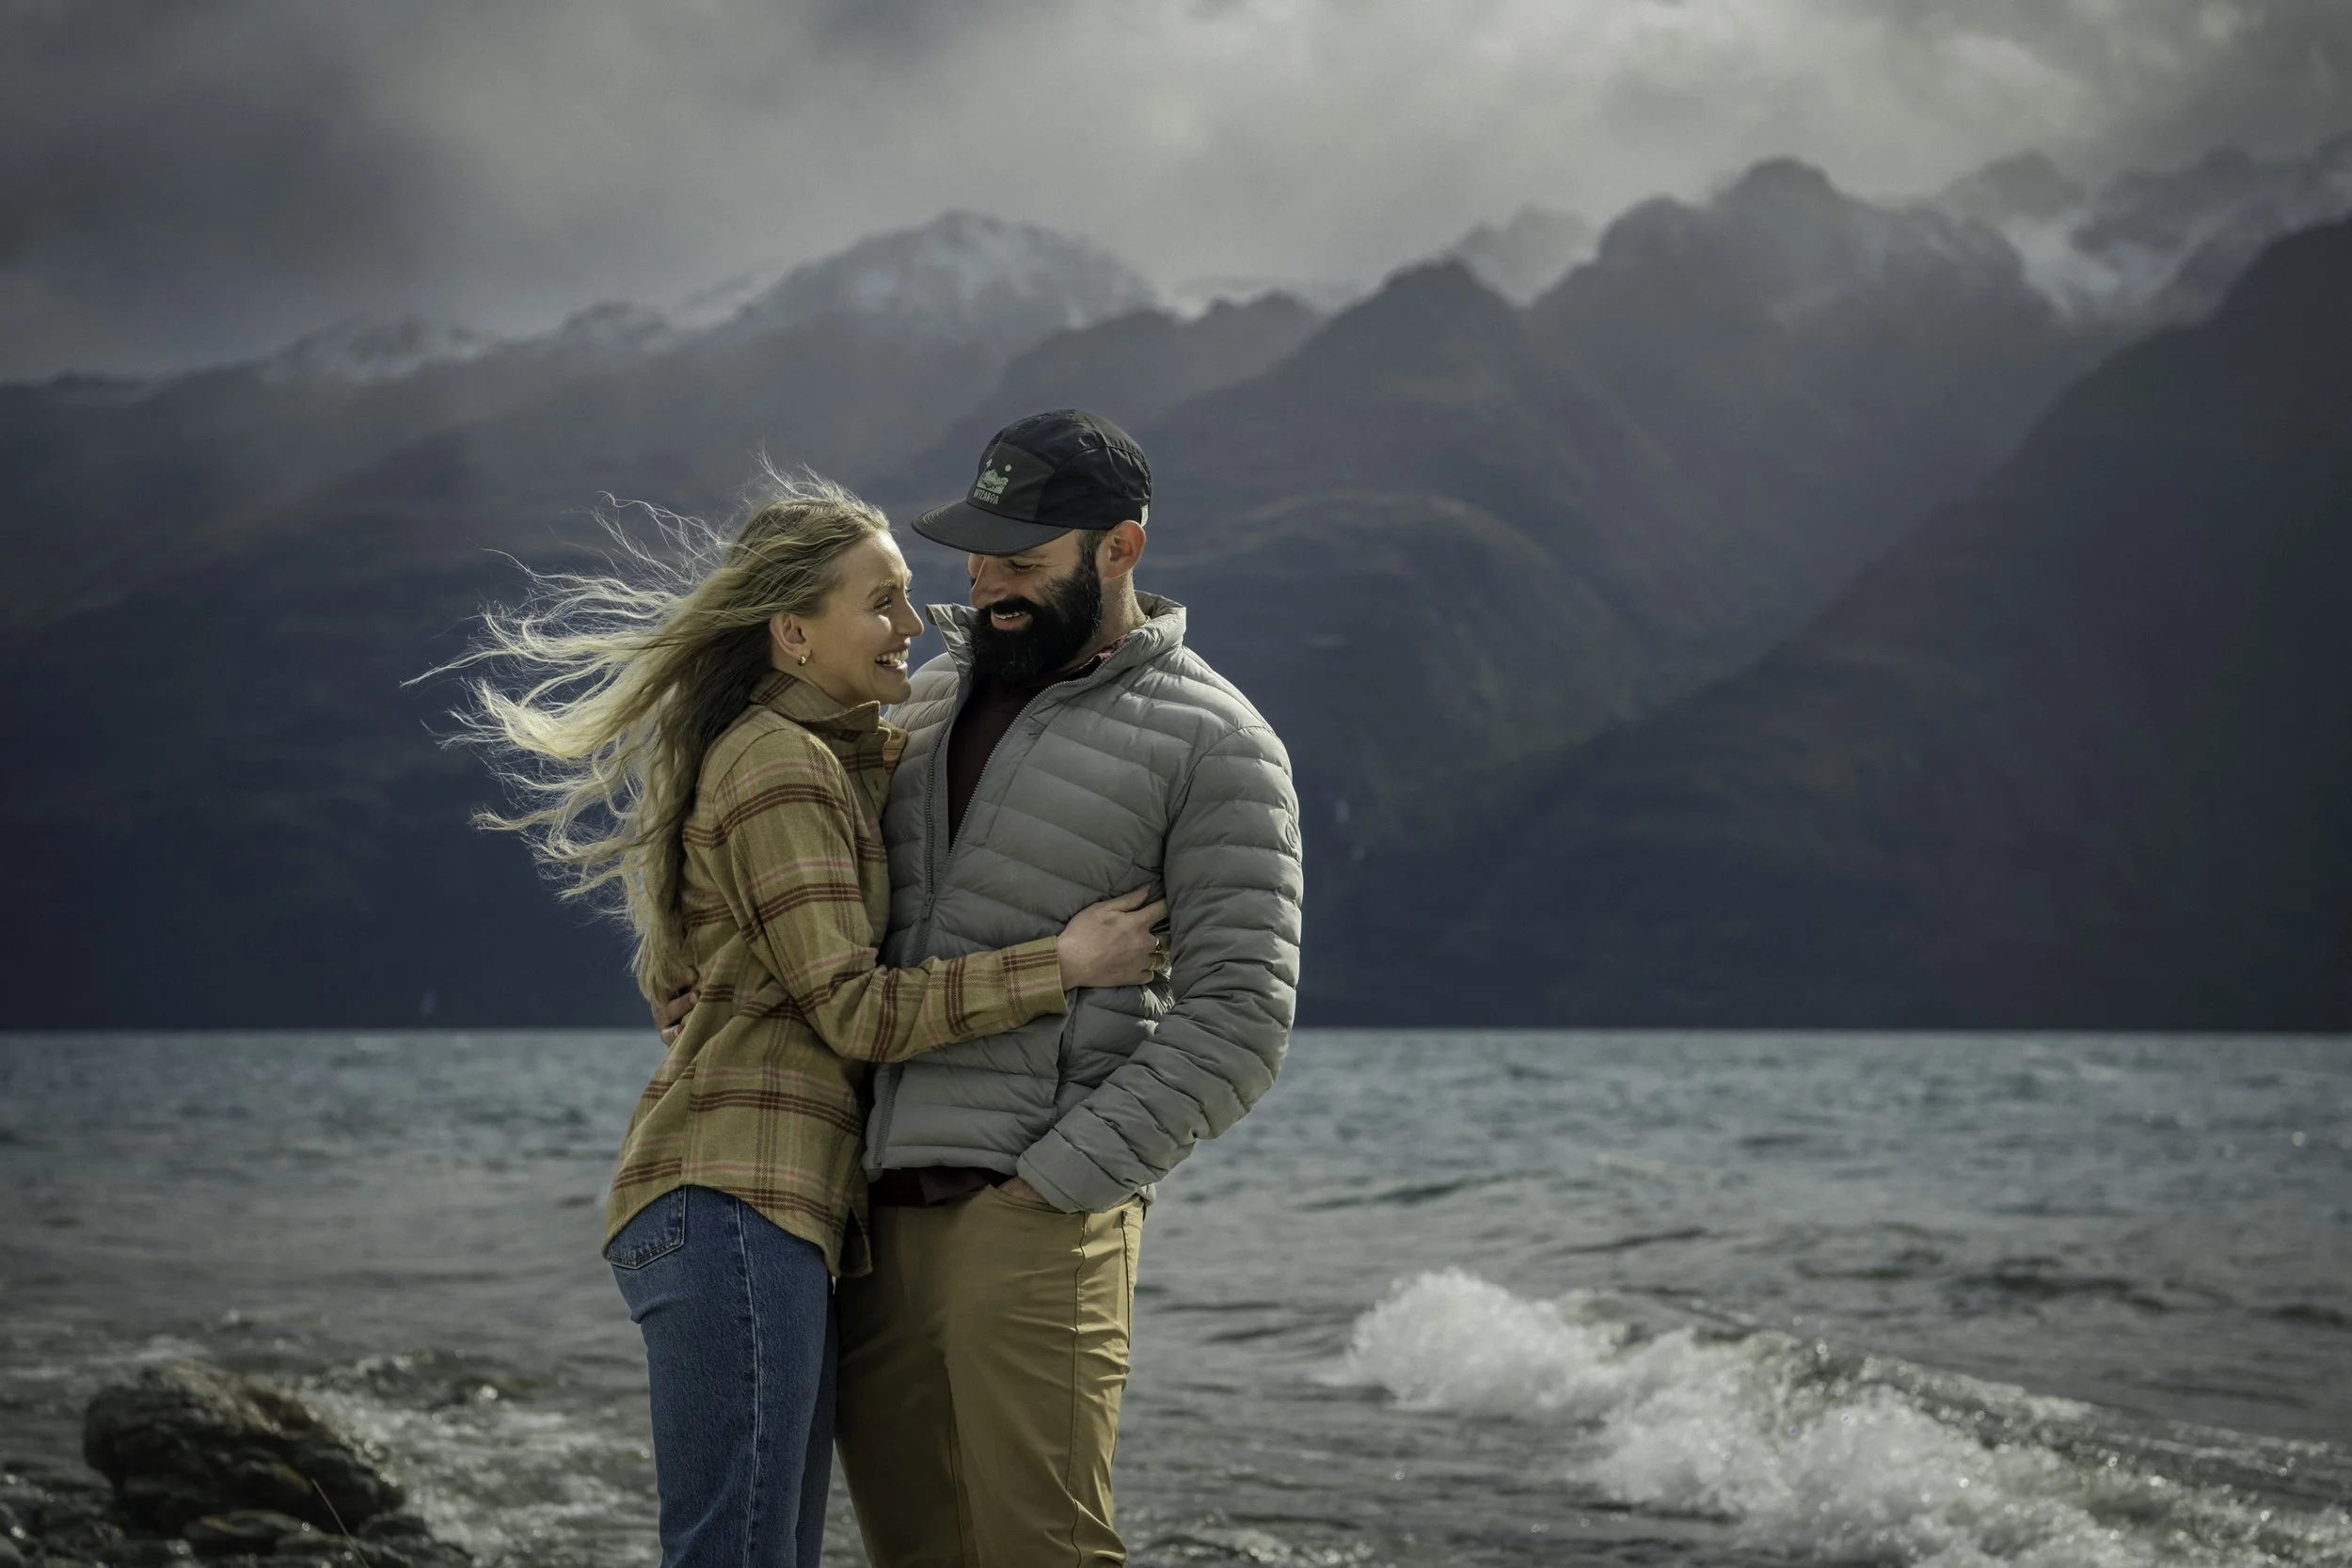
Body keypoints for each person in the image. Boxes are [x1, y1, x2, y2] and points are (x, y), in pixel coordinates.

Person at [438, 474, 1168, 1568]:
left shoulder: (809, 754)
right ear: (791, 632)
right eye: (881, 601)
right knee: (737, 1550)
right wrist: (1060, 964)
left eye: (910, 597)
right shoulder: (780, 768)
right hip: (736, 1197)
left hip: (751, 1206)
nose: (912, 626)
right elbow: (854, 1009)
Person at [834, 409, 1305, 1566]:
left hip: (1036, 1217)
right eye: (979, 558)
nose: (989, 585)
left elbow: (1241, 1017)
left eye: (1024, 563)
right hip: (866, 1218)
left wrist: (1053, 1188)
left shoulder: (1218, 742)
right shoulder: (920, 703)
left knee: (1044, 1550)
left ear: (1120, 551)